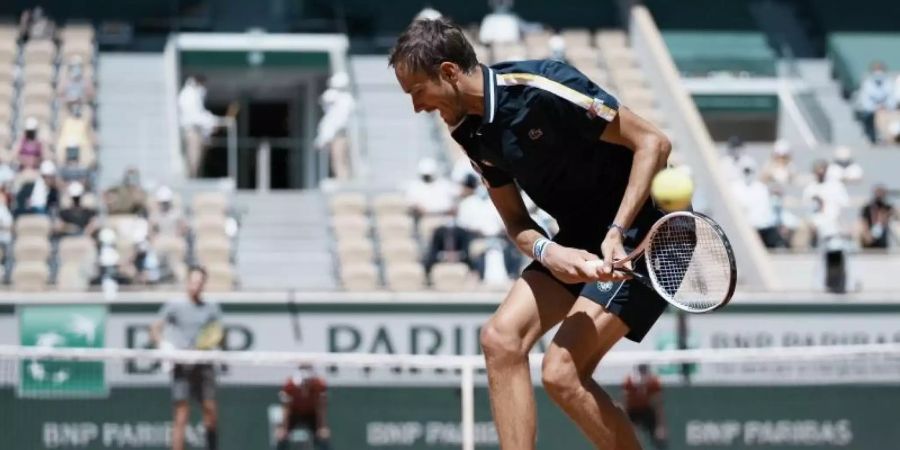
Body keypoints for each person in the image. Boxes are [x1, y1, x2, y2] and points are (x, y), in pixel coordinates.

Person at [390, 18, 672, 449]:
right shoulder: (468, 131)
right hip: (578, 237)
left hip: (646, 235)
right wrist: (549, 252)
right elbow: (517, 224)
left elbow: (653, 142)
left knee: (561, 373)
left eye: (416, 92)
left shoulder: (543, 86)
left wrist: (615, 232)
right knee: (500, 340)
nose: (416, 107)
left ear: (448, 72)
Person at [150, 266, 222, 450]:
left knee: (210, 410)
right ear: (187, 282)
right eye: (193, 281)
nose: (195, 286)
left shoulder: (212, 308)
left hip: (204, 365)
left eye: (200, 282)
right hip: (182, 366)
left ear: (204, 284)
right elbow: (155, 328)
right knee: (181, 414)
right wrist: (163, 345)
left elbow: (218, 333)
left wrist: (209, 345)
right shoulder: (175, 305)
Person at [275, 364, 331, 450]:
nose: (305, 386)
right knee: (281, 438)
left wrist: (322, 426)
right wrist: (283, 427)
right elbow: (286, 408)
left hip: (312, 413)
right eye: (303, 383)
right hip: (294, 413)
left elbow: (321, 406)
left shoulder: (319, 385)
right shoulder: (289, 385)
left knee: (323, 439)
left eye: (307, 383)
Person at [313, 72, 356, 180]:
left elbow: (335, 122)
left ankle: (343, 181)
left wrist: (323, 138)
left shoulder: (343, 100)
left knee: (339, 159)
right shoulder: (341, 100)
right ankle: (342, 179)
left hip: (339, 135)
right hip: (339, 134)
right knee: (338, 160)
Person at [178, 76, 221, 177]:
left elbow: (200, 113)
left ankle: (192, 177)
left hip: (197, 130)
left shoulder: (194, 94)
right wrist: (211, 121)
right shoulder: (189, 95)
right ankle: (189, 179)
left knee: (196, 158)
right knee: (193, 158)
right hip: (192, 130)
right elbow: (194, 116)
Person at [622, 364, 667, 450]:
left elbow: (658, 405)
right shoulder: (629, 382)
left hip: (647, 410)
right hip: (632, 411)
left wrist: (660, 426)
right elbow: (625, 403)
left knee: (658, 438)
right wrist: (625, 422)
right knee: (629, 435)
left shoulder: (653, 382)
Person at [856, 61, 892, 143]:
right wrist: (875, 108)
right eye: (876, 71)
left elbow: (891, 98)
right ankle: (872, 138)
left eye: (880, 70)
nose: (878, 74)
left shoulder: (889, 83)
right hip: (871, 111)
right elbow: (865, 101)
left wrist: (885, 106)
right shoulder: (867, 84)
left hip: (887, 110)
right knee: (868, 117)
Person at [859, 184, 896, 249]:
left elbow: (895, 214)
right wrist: (867, 234)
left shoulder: (887, 207)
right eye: (878, 192)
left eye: (882, 192)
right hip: (869, 238)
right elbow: (863, 222)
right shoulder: (867, 208)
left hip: (882, 241)